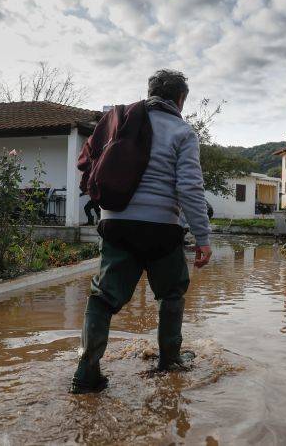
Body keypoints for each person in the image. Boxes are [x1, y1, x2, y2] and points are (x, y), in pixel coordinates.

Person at [70, 69, 212, 394]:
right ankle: (169, 361)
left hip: (116, 221)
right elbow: (189, 186)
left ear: (149, 92)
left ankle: (86, 373)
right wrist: (203, 238)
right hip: (162, 227)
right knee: (171, 294)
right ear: (180, 100)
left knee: (103, 297)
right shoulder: (183, 132)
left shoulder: (118, 120)